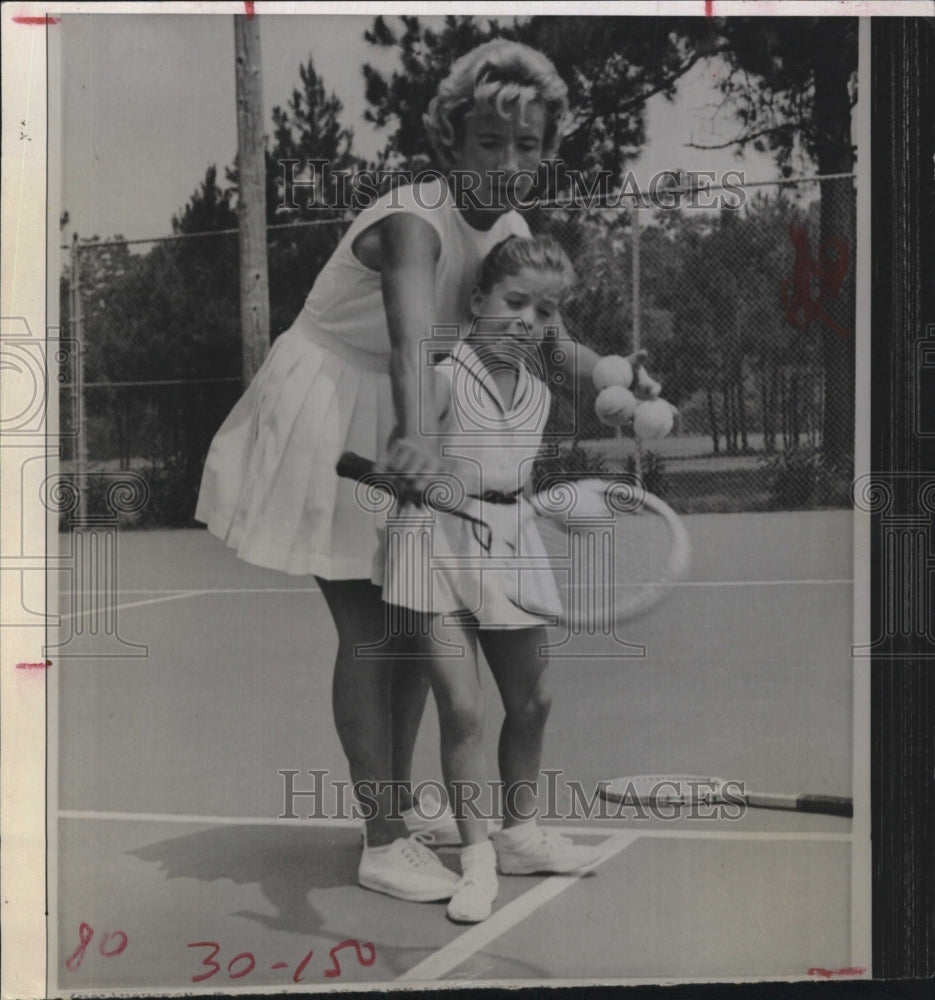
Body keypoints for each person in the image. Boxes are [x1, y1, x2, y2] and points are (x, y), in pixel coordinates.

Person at [196, 38, 655, 903]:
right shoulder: (410, 220)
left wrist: (610, 381)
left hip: (420, 410)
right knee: (375, 630)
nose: (508, 163)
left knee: (413, 627)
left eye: (527, 146)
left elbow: (550, 343)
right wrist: (416, 440)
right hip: (333, 405)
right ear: (451, 143)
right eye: (489, 143)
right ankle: (382, 839)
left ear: (547, 151)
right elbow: (412, 343)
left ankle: (433, 820)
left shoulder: (512, 233)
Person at [374, 234, 603, 924]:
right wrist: (421, 475)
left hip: (509, 545)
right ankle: (475, 861)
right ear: (478, 302)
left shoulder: (535, 394)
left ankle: (520, 834)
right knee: (464, 709)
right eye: (513, 303)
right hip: (431, 551)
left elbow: (514, 479)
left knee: (532, 700)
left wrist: (553, 507)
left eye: (544, 311)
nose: (527, 321)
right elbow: (403, 454)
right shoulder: (443, 378)